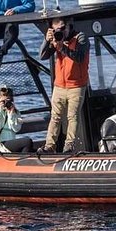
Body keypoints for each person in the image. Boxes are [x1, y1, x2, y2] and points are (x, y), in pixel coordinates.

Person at [40, 17, 90, 153]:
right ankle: (49, 146)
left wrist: (62, 47)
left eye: (63, 28)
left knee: (72, 116)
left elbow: (79, 57)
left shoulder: (81, 38)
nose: (60, 32)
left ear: (69, 26)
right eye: (57, 30)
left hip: (76, 85)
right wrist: (47, 40)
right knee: (55, 116)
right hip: (59, 85)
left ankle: (70, 145)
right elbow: (42, 55)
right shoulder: (56, 40)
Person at [0, 0, 35, 69]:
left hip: (11, 19)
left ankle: (0, 54)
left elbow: (30, 5)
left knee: (12, 29)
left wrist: (15, 10)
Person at [0, 85, 34, 153]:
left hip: (9, 142)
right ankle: (21, 161)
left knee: (29, 145)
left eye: (8, 101)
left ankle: (21, 160)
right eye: (3, 101)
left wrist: (11, 115)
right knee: (27, 142)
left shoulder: (15, 112)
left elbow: (16, 129)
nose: (5, 104)